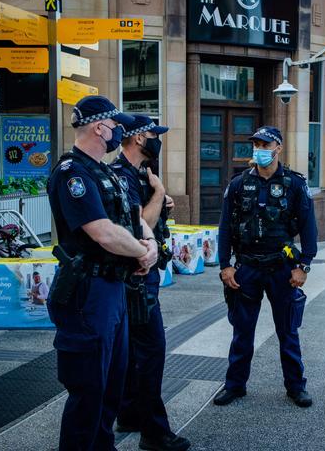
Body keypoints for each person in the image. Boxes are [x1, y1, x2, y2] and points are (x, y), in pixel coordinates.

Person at [46, 95, 158, 451]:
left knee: (113, 382)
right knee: (89, 392)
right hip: (88, 292)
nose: (119, 133)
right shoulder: (72, 173)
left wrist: (150, 244)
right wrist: (142, 252)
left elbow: (134, 217)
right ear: (99, 127)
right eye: (116, 126)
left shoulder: (107, 170)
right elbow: (103, 232)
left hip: (115, 289)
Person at [215, 126, 318, 408]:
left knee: (288, 333)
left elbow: (309, 227)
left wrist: (304, 265)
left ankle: (296, 387)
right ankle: (235, 386)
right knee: (242, 333)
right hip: (247, 267)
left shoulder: (295, 184)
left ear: (278, 148)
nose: (259, 148)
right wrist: (225, 266)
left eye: (265, 143)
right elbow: (225, 228)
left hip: (282, 268)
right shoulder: (238, 183)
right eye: (256, 143)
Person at [110, 114, 190, 451]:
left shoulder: (141, 174)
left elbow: (149, 221)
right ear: (140, 138)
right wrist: (158, 196)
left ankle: (129, 414)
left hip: (141, 276)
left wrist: (162, 203)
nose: (158, 139)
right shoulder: (121, 176)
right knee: (151, 352)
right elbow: (137, 223)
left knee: (133, 351)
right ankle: (154, 433)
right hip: (135, 278)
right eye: (154, 134)